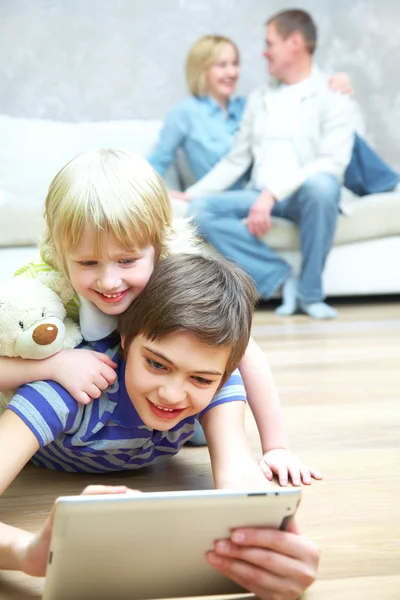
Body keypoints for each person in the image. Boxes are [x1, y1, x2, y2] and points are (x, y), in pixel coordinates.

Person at [0, 148, 321, 483]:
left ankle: (211, 444)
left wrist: (276, 447)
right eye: (87, 262)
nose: (110, 282)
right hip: (71, 392)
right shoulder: (38, 293)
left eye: (127, 261)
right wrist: (50, 365)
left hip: (142, 397)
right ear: (61, 254)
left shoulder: (172, 270)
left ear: (158, 245)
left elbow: (244, 352)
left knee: (212, 361)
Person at [185, 10, 360, 320]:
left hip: (302, 195)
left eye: (270, 43)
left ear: (294, 43)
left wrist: (272, 194)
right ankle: (280, 277)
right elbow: (236, 158)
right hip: (258, 193)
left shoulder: (333, 95)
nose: (264, 51)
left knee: (323, 185)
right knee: (199, 209)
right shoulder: (260, 98)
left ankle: (310, 294)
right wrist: (192, 193)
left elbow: (332, 162)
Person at [148, 34, 399, 200]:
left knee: (336, 133)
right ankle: (389, 186)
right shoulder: (184, 114)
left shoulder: (250, 105)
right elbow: (156, 163)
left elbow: (298, 97)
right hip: (231, 195)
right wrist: (168, 196)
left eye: (234, 64)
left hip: (273, 184)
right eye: (221, 65)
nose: (232, 72)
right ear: (201, 69)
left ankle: (389, 187)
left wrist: (335, 82)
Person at [0, 484, 320, 600]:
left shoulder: (224, 386)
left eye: (202, 379)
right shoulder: (55, 396)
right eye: (157, 364)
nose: (172, 394)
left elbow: (240, 482)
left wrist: (276, 545)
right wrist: (24, 551)